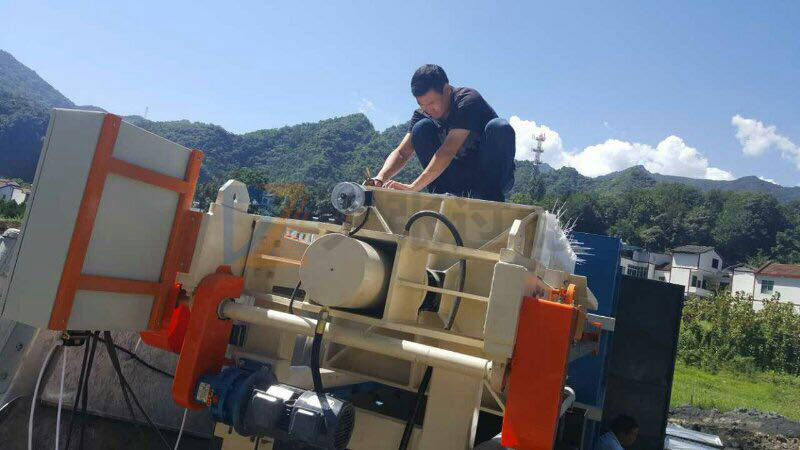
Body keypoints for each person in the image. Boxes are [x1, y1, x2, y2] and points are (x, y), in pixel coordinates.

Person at [368, 64, 516, 202]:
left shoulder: (467, 100)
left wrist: (413, 187)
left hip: (488, 176)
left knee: (499, 127)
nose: (427, 109)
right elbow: (402, 153)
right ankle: (441, 193)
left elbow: (448, 150)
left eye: (431, 103)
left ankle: (491, 195)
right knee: (420, 128)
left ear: (446, 89)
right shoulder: (423, 114)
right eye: (421, 104)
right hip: (457, 179)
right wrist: (379, 179)